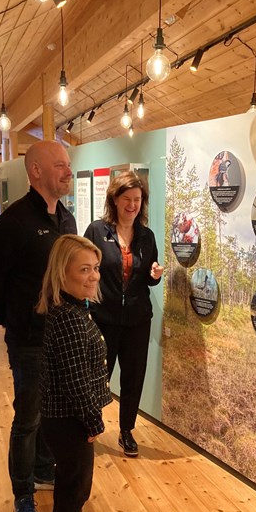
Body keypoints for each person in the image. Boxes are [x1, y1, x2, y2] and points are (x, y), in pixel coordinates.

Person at [0, 141, 76, 512]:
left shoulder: (66, 221)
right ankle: (22, 494)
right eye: (60, 165)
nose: (67, 171)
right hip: (29, 340)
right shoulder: (14, 222)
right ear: (35, 171)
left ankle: (41, 469)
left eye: (69, 165)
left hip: (61, 337)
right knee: (29, 416)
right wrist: (8, 319)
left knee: (53, 411)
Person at [37, 234, 111, 512]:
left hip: (70, 416)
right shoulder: (67, 318)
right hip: (69, 418)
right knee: (73, 485)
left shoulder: (74, 308)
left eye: (95, 268)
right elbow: (75, 380)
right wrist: (93, 419)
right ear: (61, 272)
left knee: (77, 485)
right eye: (84, 269)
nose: (94, 276)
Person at [84, 171, 163, 458]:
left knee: (133, 377)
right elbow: (83, 268)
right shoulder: (96, 231)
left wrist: (154, 276)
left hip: (138, 320)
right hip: (103, 319)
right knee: (97, 376)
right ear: (115, 200)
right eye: (127, 199)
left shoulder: (146, 236)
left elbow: (147, 278)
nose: (132, 205)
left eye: (138, 200)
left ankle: (126, 430)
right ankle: (89, 427)